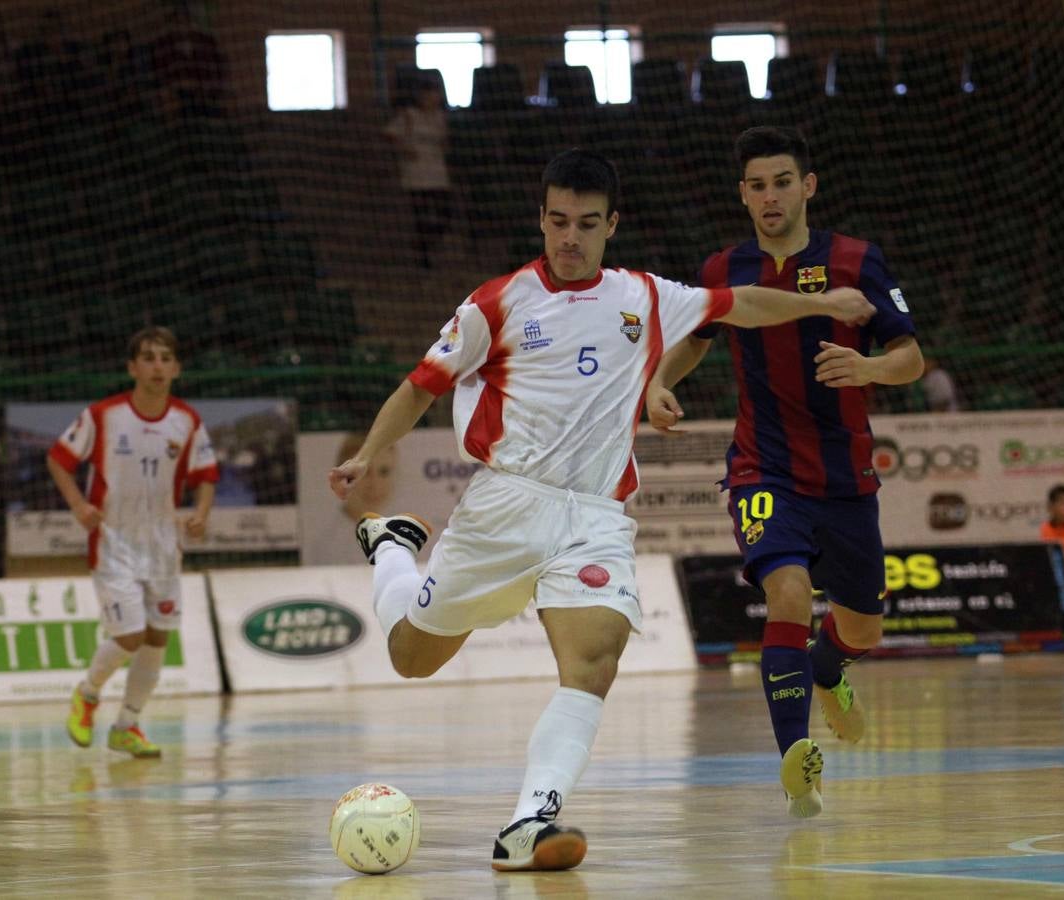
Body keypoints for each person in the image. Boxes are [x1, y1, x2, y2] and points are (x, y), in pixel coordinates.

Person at [328, 149, 875, 871]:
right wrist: (369, 453)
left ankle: (528, 823)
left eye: (586, 224)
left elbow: (741, 303)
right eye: (558, 222)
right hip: (505, 507)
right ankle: (393, 548)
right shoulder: (495, 302)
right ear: (541, 219)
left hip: (594, 516)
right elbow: (419, 387)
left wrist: (820, 304)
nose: (570, 237)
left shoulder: (642, 295)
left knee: (594, 662)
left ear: (611, 225)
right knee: (411, 657)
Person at [645, 126, 925, 818]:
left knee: (862, 630)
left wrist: (867, 367)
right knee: (789, 592)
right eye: (757, 186)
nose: (770, 197)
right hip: (762, 469)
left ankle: (828, 668)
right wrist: (658, 382)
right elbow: (696, 340)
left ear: (808, 186)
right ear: (742, 195)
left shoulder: (857, 260)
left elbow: (911, 358)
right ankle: (798, 760)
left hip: (845, 478)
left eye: (782, 182)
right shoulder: (725, 269)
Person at [52, 327, 218, 758]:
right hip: (113, 544)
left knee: (157, 638)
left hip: (163, 546)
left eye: (165, 358)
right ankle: (88, 694)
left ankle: (127, 725)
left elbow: (205, 475)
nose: (157, 366)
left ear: (176, 368)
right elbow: (59, 459)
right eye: (148, 357)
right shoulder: (103, 415)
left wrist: (201, 513)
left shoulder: (187, 420)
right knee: (130, 635)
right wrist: (78, 505)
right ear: (132, 367)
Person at [384, 74, 453, 268]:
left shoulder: (439, 117)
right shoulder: (409, 115)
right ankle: (423, 257)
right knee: (421, 216)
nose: (432, 98)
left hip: (438, 175)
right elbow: (389, 134)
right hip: (416, 176)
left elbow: (444, 141)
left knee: (444, 213)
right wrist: (405, 149)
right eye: (428, 94)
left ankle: (431, 245)